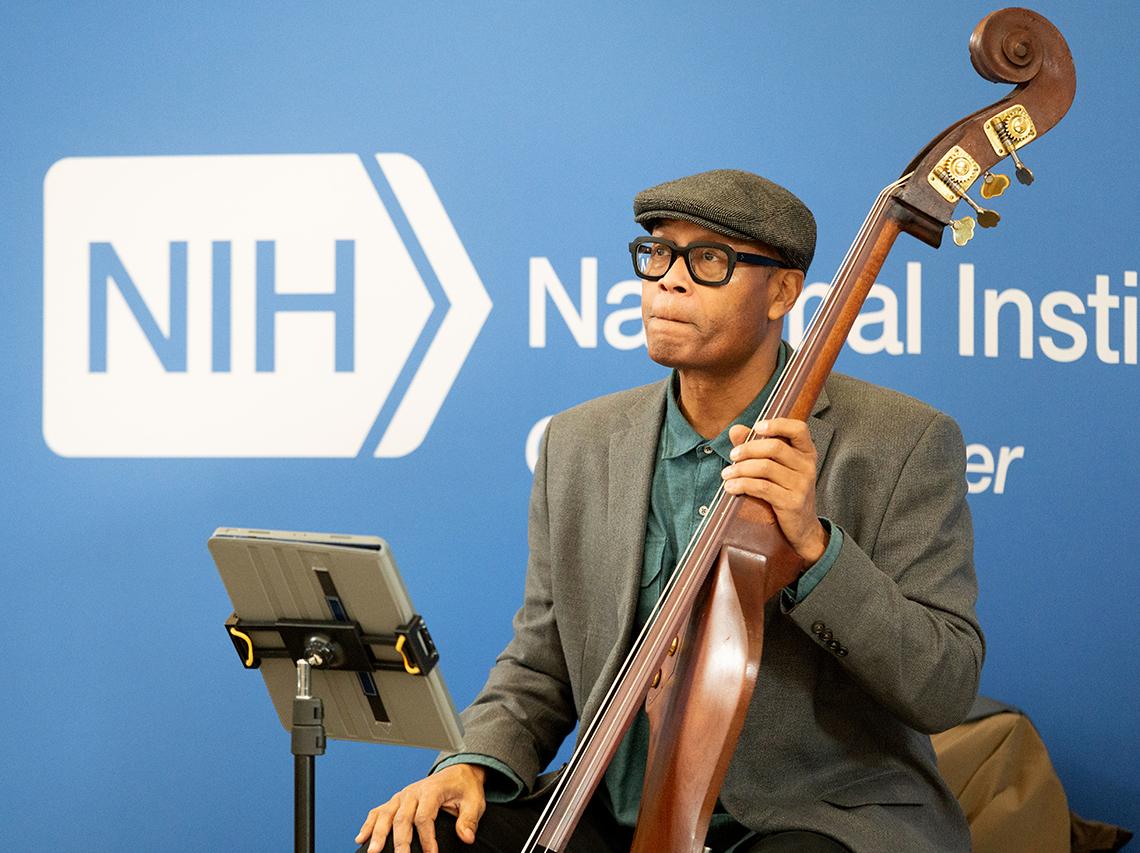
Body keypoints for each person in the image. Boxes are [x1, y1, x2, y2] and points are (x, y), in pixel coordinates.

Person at [355, 169, 984, 853]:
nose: (669, 281)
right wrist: (474, 761)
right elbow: (540, 663)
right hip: (609, 817)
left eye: (709, 259)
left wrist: (814, 547)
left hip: (810, 817)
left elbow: (943, 684)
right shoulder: (579, 441)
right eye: (658, 253)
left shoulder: (902, 441)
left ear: (783, 290)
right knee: (415, 841)